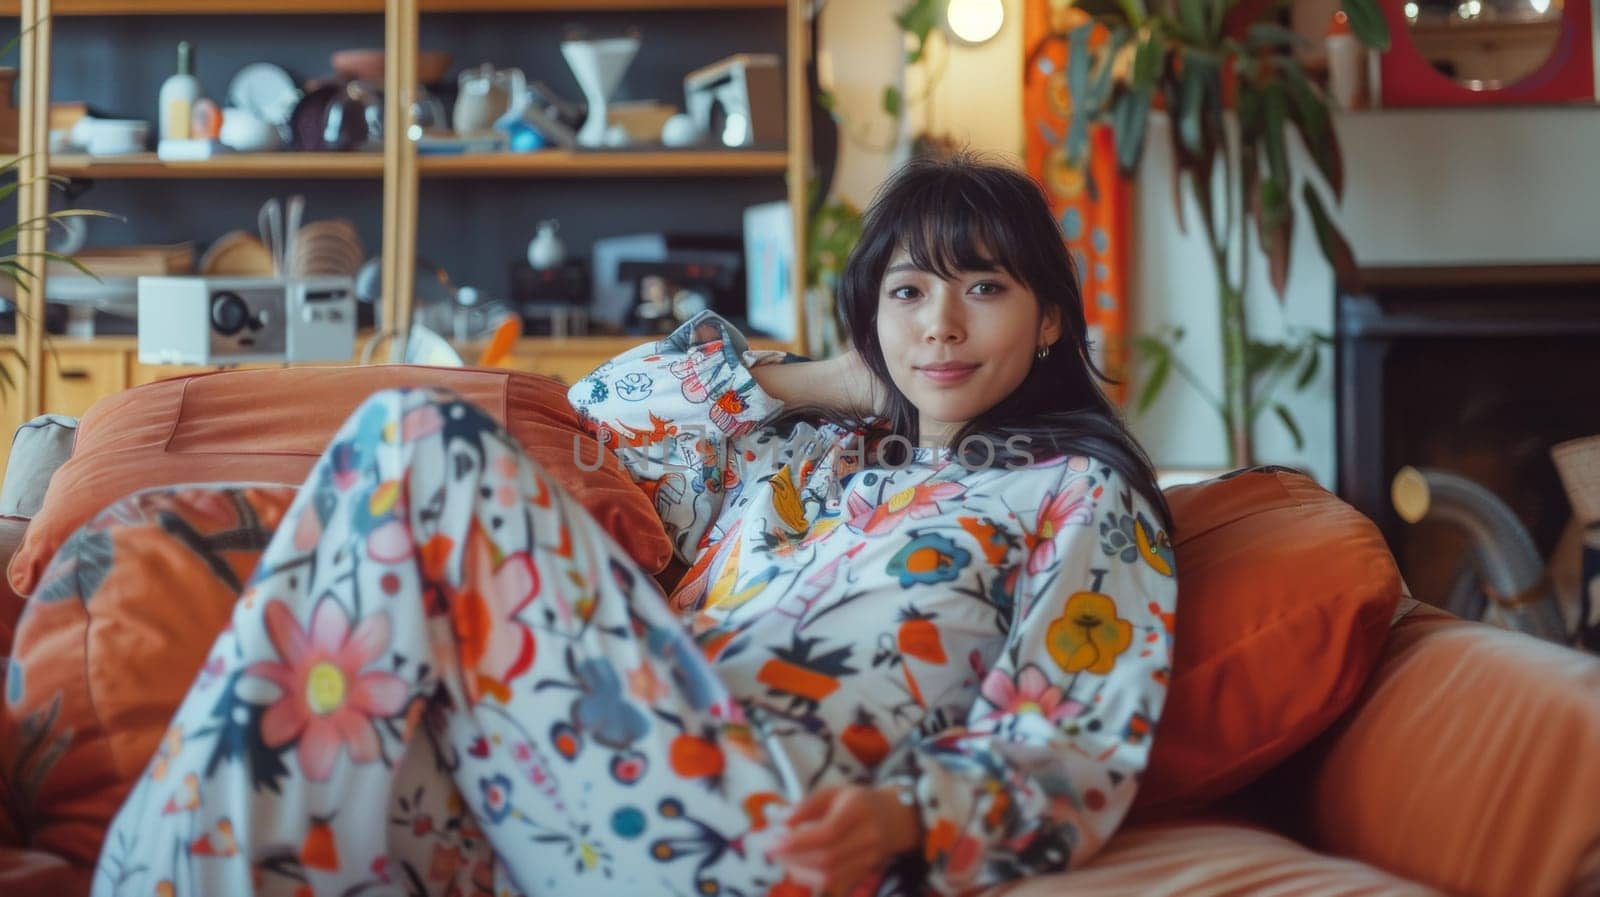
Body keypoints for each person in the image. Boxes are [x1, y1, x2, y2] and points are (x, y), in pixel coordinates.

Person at [91, 154, 1177, 897]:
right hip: (580, 776)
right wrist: (836, 382)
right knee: (326, 751)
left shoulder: (1076, 496)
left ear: (1046, 320)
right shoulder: (805, 460)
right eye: (906, 293)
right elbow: (606, 413)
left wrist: (906, 817)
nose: (938, 322)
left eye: (981, 287)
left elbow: (1075, 741)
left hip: (761, 815)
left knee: (416, 439)